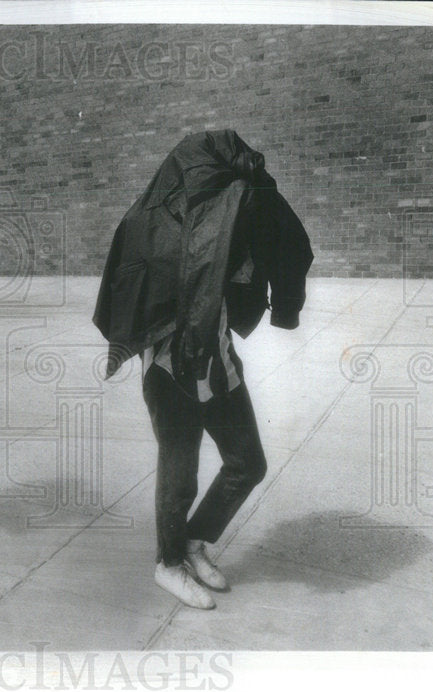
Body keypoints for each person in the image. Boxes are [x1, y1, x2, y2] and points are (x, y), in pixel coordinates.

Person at [94, 130, 313, 609]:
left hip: (217, 360)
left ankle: (193, 543)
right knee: (180, 476)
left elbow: (282, 251)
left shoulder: (239, 211)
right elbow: (128, 293)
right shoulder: (149, 225)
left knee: (248, 463)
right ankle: (168, 565)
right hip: (171, 369)